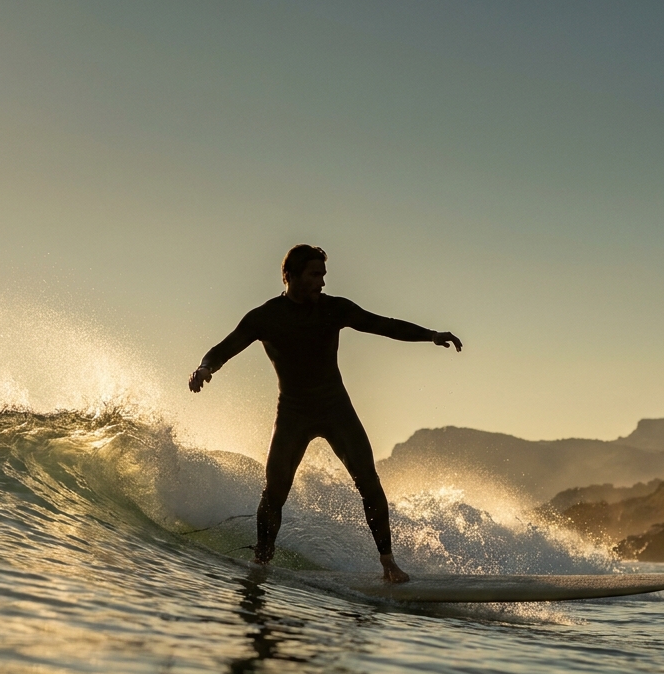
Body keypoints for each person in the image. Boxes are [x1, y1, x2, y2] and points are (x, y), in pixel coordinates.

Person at [189, 245, 462, 582]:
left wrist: (430, 335)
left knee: (369, 483)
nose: (321, 282)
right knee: (275, 490)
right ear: (290, 276)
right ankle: (261, 562)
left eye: (323, 275)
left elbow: (383, 325)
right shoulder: (266, 316)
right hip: (293, 413)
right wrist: (205, 368)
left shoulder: (334, 309)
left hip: (336, 410)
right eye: (314, 275)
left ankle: (388, 564)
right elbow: (224, 348)